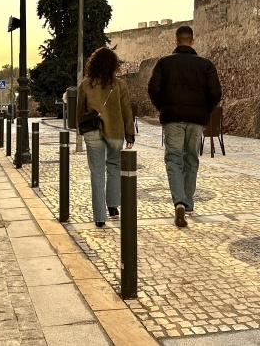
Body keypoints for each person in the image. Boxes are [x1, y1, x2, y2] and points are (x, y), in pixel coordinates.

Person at [147, 25, 222, 227]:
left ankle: (179, 201)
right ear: (193, 41)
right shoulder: (206, 65)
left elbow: (153, 88)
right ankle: (187, 203)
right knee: (191, 158)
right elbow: (216, 93)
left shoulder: (164, 63)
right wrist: (205, 111)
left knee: (173, 159)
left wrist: (163, 107)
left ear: (176, 41)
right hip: (196, 119)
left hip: (172, 118)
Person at [76, 47, 135, 227]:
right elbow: (127, 111)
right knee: (114, 167)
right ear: (113, 65)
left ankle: (99, 217)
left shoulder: (86, 84)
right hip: (115, 131)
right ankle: (112, 206)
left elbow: (79, 110)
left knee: (97, 173)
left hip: (92, 131)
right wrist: (130, 135)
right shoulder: (120, 85)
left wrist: (80, 130)